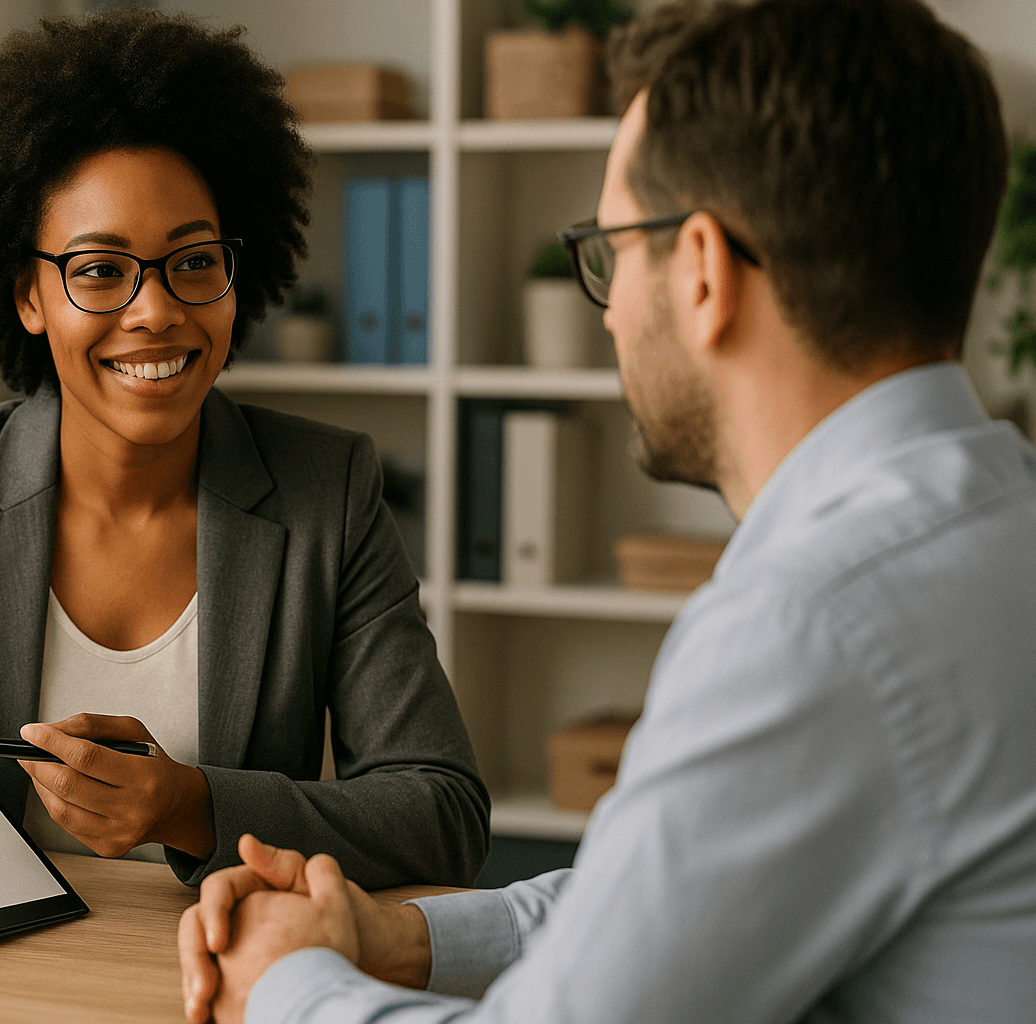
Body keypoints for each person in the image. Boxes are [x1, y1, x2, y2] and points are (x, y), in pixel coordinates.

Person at [179, 1, 1036, 1021]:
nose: (612, 306)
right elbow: (672, 894)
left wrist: (284, 981)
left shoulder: (812, 627)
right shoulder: (994, 520)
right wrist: (398, 937)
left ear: (706, 272)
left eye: (613, 248)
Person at [0, 8, 489, 934]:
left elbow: (442, 809)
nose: (155, 311)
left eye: (193, 262)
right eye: (99, 270)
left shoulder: (328, 492)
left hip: (209, 971)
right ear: (28, 295)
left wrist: (189, 804)